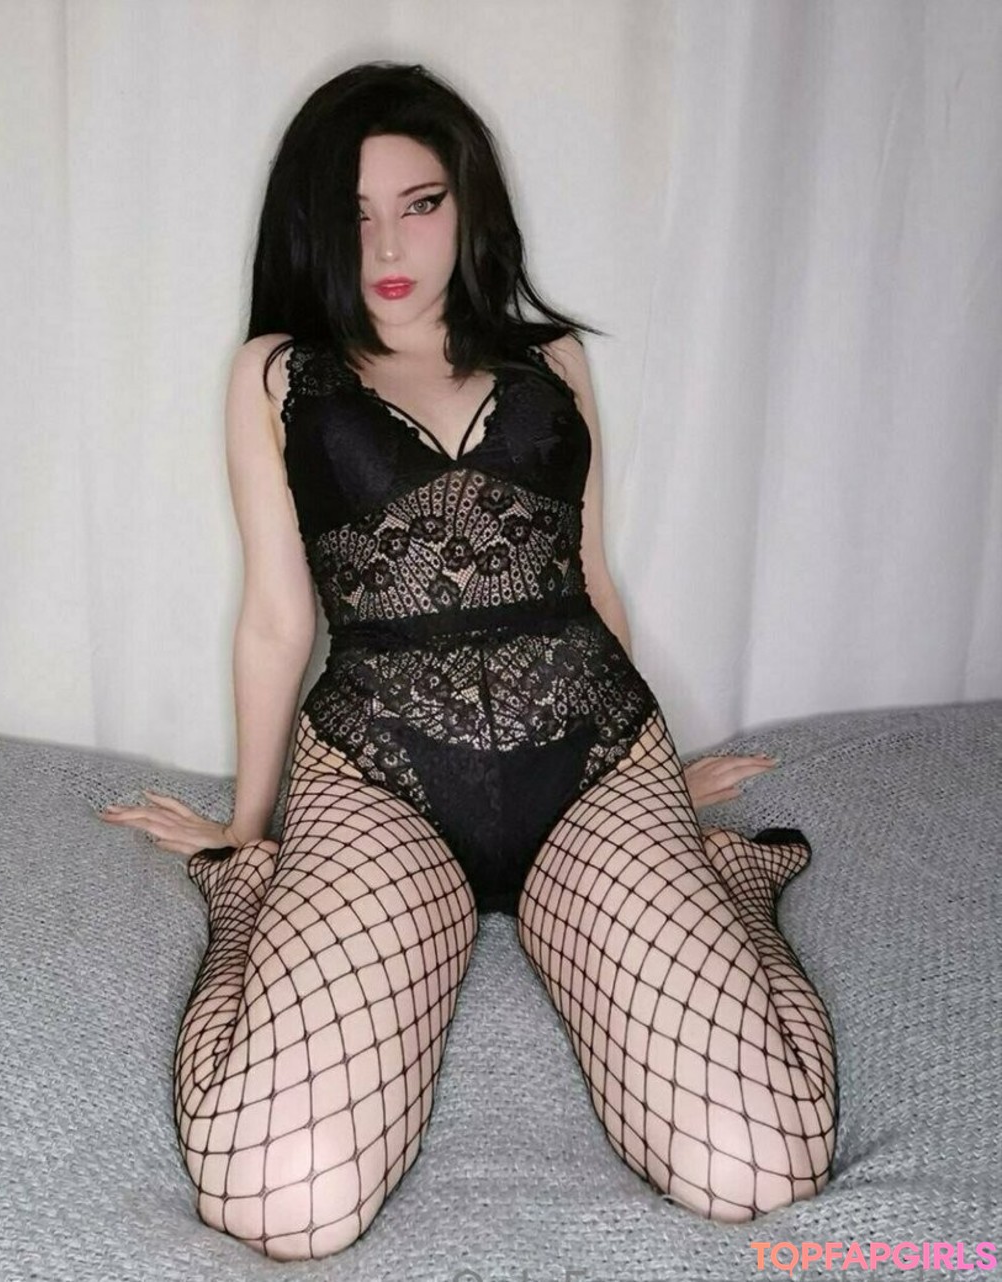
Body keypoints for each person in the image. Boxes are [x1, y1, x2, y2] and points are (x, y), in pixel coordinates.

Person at [99, 61, 837, 1261]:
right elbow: (278, 620)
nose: (391, 244)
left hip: (593, 762)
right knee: (277, 1196)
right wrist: (248, 832)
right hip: (382, 776)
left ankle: (738, 886)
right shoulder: (279, 374)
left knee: (759, 1163)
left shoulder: (555, 360)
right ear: (314, 225)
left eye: (422, 203)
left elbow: (592, 584)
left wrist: (661, 785)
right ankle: (241, 911)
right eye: (355, 214)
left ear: (467, 205)